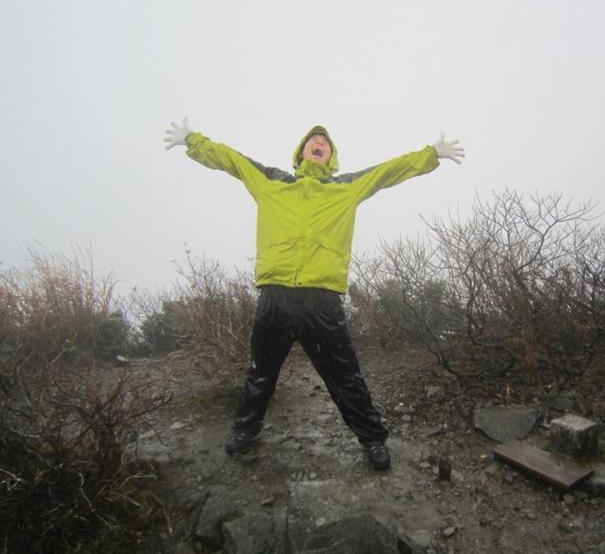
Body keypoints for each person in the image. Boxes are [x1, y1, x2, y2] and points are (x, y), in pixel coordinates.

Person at [164, 118, 464, 469]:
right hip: (276, 297)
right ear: (301, 151)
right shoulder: (271, 182)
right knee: (261, 373)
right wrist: (193, 140)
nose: (318, 143)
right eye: (312, 140)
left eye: (325, 142)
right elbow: (230, 159)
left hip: (321, 302)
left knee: (345, 377)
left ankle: (373, 440)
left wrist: (431, 154)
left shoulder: (346, 187)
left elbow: (388, 171)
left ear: (331, 156)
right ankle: (246, 430)